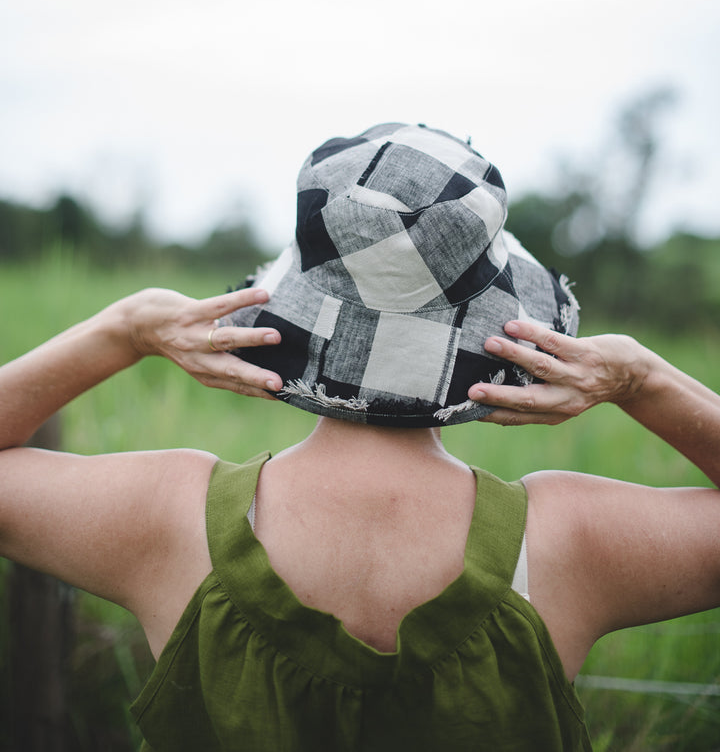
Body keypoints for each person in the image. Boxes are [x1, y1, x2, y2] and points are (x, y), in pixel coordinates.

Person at [1, 122, 719, 752]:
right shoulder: (573, 542)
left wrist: (124, 329)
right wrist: (644, 381)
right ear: (490, 326)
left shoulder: (164, 517)